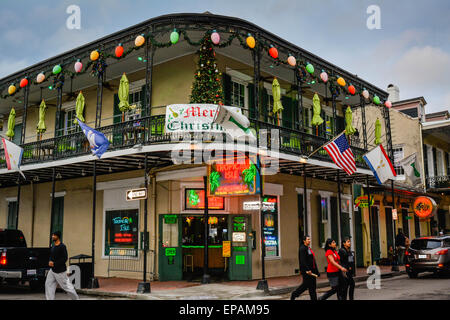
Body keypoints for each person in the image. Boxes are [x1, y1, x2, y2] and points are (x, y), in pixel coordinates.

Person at [45, 231, 79, 300]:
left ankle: (76, 298)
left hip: (60, 271)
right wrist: (50, 261)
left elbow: (64, 258)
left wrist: (55, 263)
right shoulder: (53, 246)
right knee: (48, 284)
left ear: (58, 237)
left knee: (66, 287)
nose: (52, 236)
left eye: (54, 235)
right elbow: (52, 256)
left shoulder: (62, 246)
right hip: (52, 270)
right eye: (52, 235)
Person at [290, 235, 320, 300]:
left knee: (312, 288)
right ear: (304, 241)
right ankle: (294, 294)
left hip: (312, 271)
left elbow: (313, 260)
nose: (309, 240)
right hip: (307, 272)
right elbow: (302, 261)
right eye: (308, 239)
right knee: (305, 286)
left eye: (309, 239)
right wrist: (307, 269)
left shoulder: (308, 248)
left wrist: (316, 271)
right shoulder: (302, 249)